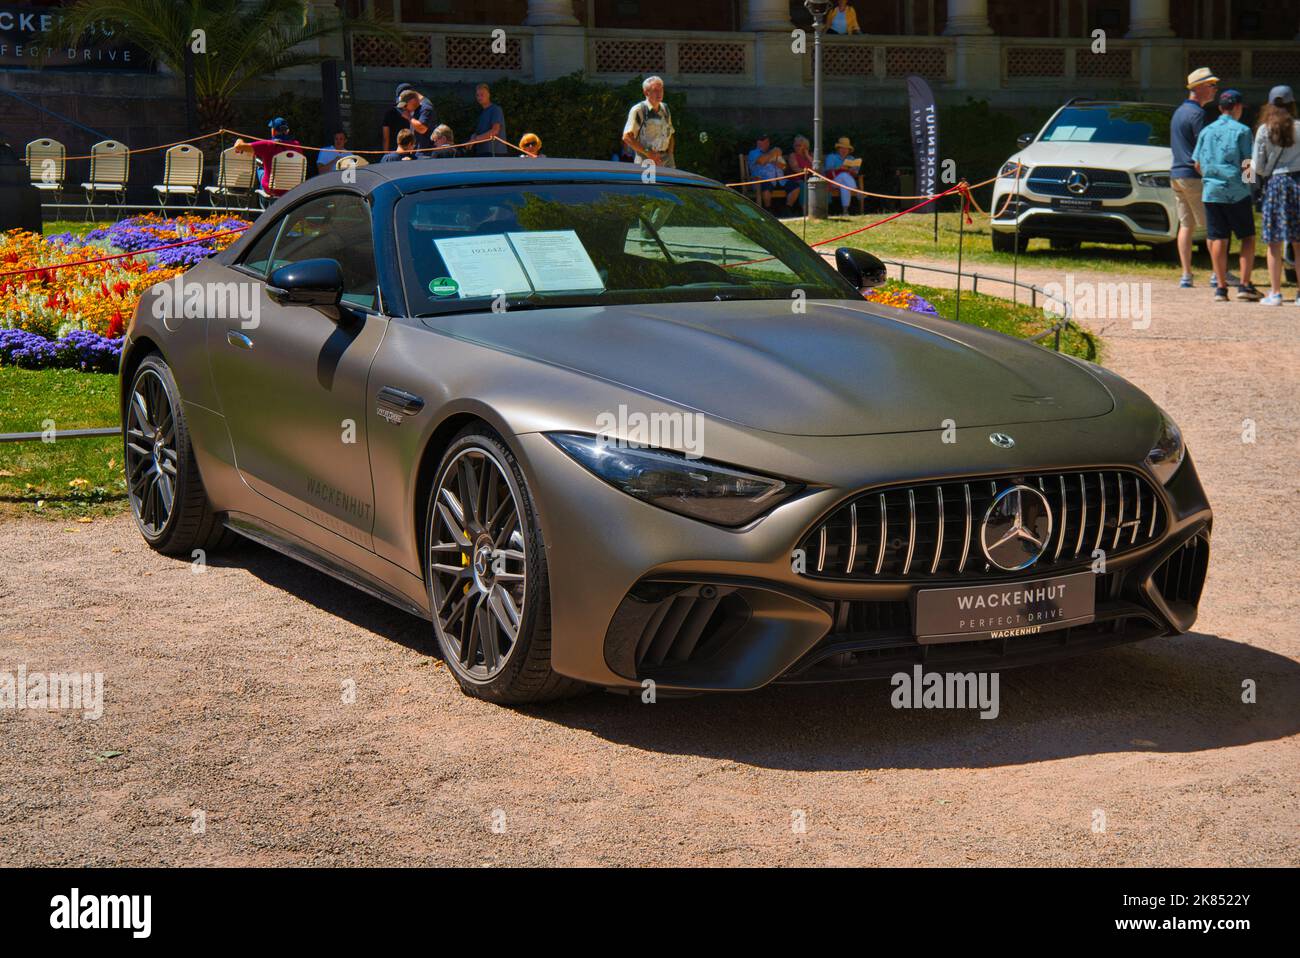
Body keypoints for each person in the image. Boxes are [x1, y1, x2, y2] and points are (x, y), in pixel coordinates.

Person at [1192, 89, 1261, 302]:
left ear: (1221, 108)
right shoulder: (1242, 131)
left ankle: (1221, 288)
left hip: (1211, 192)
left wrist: (1211, 178)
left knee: (1217, 237)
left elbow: (1197, 164)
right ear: (1238, 107)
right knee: (1247, 237)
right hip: (1236, 192)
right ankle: (1244, 285)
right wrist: (1251, 188)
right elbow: (1247, 164)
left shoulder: (1206, 131)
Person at [1171, 68, 1226, 288]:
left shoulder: (1179, 111)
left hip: (1176, 174)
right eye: (1212, 85)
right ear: (1200, 87)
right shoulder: (1198, 115)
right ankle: (1217, 274)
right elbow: (1204, 150)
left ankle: (1186, 275)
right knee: (1213, 227)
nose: (1215, 89)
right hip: (1193, 176)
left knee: (1186, 226)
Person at [1251, 85, 1300, 305]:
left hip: (1276, 185)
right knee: (1298, 242)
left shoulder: (1264, 130)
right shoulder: (1299, 127)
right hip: (1298, 183)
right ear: (1292, 103)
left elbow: (1258, 168)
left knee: (1274, 242)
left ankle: (1276, 293)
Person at [233, 117, 302, 197]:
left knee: (259, 169)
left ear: (273, 131)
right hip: (293, 189)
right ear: (287, 131)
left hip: (273, 189)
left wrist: (239, 139)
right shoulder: (297, 145)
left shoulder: (268, 145)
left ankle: (263, 204)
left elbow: (238, 146)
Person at [623, 75, 675, 168]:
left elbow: (671, 134)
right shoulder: (639, 110)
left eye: (661, 89)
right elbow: (627, 137)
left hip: (667, 160)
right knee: (649, 183)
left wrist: (670, 154)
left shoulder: (665, 108)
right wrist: (648, 153)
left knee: (670, 183)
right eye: (655, 90)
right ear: (646, 92)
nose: (659, 93)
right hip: (646, 159)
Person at [747, 134, 793, 212]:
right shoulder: (753, 153)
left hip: (780, 180)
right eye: (762, 141)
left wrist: (775, 161)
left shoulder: (774, 152)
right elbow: (761, 161)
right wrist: (772, 153)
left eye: (766, 142)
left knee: (795, 187)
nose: (764, 143)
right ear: (758, 143)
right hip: (762, 180)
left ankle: (787, 209)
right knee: (766, 186)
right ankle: (768, 210)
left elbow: (784, 166)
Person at [823, 136, 862, 214]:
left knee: (845, 186)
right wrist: (839, 168)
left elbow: (855, 173)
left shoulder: (851, 158)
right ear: (838, 149)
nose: (844, 150)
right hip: (833, 181)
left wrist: (853, 170)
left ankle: (845, 211)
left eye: (846, 148)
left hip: (845, 182)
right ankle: (857, 191)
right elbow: (827, 171)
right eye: (842, 148)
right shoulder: (832, 157)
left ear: (849, 150)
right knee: (844, 175)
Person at [471, 84, 508, 157]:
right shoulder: (482, 113)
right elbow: (479, 132)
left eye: (482, 95)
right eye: (477, 95)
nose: (479, 97)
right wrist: (473, 137)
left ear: (488, 95)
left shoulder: (496, 110)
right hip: (483, 152)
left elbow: (495, 131)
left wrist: (475, 139)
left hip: (495, 153)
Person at [396, 88, 437, 154]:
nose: (404, 109)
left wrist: (409, 117)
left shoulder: (426, 109)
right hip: (417, 151)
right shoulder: (415, 110)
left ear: (413, 101)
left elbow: (422, 129)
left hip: (425, 152)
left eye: (405, 105)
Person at [785, 135, 814, 214]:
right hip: (795, 179)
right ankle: (805, 212)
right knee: (803, 185)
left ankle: (819, 209)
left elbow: (816, 167)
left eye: (799, 145)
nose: (797, 147)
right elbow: (795, 168)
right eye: (795, 145)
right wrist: (806, 171)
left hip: (808, 179)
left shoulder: (810, 155)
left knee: (819, 185)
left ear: (805, 146)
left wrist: (807, 155)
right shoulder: (793, 155)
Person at [381, 83, 413, 153]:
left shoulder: (389, 113)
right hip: (410, 152)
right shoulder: (415, 113)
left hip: (394, 152)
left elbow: (386, 138)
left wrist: (386, 155)